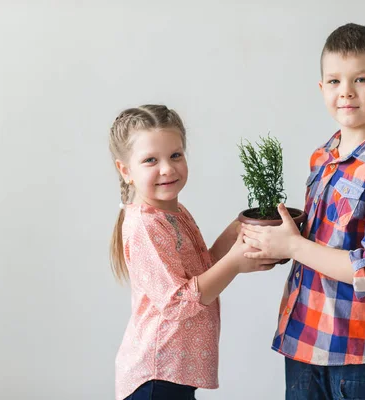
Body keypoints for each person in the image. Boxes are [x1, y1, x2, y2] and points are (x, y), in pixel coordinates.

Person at [242, 23, 365, 399]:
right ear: (322, 88)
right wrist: (280, 239)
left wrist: (294, 247)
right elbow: (319, 242)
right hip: (303, 339)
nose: (347, 92)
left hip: (355, 354)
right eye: (335, 81)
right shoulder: (323, 157)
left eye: (361, 79)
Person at [108, 104, 277, 400]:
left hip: (170, 375)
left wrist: (238, 229)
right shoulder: (145, 225)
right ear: (126, 170)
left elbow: (199, 272)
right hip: (156, 375)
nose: (167, 168)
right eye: (150, 160)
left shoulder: (173, 212)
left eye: (176, 155)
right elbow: (177, 303)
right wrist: (235, 263)